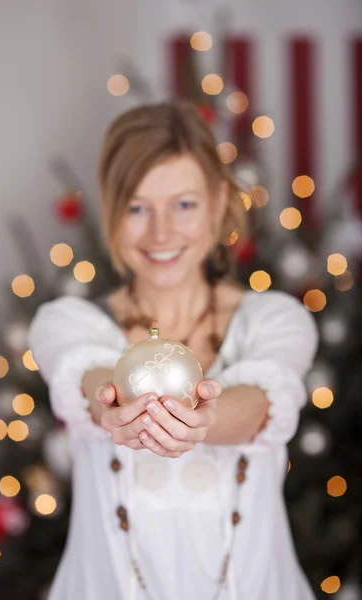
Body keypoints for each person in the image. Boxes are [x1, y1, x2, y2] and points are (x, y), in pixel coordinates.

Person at [28, 101, 319, 600]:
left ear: (218, 201)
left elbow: (263, 399)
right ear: (113, 212)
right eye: (138, 207)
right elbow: (88, 376)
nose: (161, 232)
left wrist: (205, 421)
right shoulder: (68, 324)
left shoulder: (275, 320)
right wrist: (115, 408)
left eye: (184, 204)